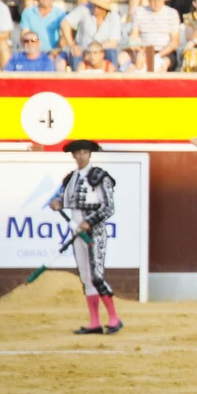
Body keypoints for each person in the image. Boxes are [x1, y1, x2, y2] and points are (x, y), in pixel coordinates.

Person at [48, 140, 121, 335]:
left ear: (90, 155)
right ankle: (94, 322)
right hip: (76, 230)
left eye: (85, 152)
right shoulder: (70, 178)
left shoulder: (100, 177)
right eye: (78, 153)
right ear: (73, 156)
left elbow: (109, 207)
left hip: (94, 231)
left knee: (97, 276)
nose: (82, 156)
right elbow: (62, 200)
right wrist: (56, 203)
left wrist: (90, 222)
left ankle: (114, 318)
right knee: (86, 277)